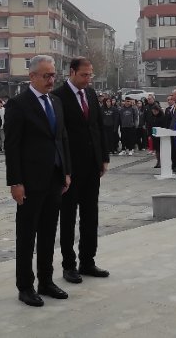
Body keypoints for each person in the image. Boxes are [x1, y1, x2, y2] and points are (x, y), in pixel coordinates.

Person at [4, 54, 72, 308]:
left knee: (47, 233)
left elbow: (61, 138)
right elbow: (12, 146)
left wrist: (66, 171)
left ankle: (46, 280)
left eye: (53, 75)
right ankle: (25, 286)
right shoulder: (18, 104)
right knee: (27, 235)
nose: (51, 80)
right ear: (32, 76)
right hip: (30, 182)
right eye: (46, 75)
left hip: (54, 178)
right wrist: (15, 182)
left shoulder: (55, 102)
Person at [52, 57, 110, 285]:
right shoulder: (59, 96)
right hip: (70, 169)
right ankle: (69, 265)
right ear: (72, 72)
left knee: (90, 215)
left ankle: (88, 260)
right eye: (84, 75)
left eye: (90, 75)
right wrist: (64, 167)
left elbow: (97, 127)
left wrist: (103, 157)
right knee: (68, 217)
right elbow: (59, 135)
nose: (88, 79)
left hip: (92, 166)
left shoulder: (91, 95)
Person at [146, 104, 169, 168]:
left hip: (161, 135)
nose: (154, 113)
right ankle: (158, 161)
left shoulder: (162, 117)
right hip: (154, 135)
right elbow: (149, 125)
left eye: (155, 111)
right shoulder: (151, 117)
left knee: (161, 149)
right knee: (157, 150)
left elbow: (164, 126)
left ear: (158, 110)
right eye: (153, 111)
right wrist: (149, 134)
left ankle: (163, 161)